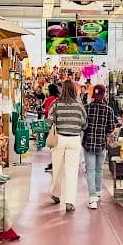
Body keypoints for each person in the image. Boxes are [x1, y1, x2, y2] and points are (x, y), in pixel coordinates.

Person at [49, 80, 86, 212]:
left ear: (62, 89)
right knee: (71, 171)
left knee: (57, 168)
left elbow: (49, 120)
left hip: (59, 139)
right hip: (74, 140)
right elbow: (84, 123)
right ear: (74, 90)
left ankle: (55, 193)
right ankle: (69, 202)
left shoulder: (56, 103)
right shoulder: (79, 105)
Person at [82, 84, 117, 209]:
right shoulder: (109, 110)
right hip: (102, 144)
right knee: (99, 169)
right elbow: (111, 128)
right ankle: (97, 193)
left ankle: (92, 198)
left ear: (93, 95)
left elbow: (83, 126)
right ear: (103, 95)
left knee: (90, 170)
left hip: (88, 143)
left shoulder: (86, 108)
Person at [42, 83, 59, 173]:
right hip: (59, 125)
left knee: (52, 145)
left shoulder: (50, 99)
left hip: (52, 125)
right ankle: (55, 163)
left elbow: (48, 112)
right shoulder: (58, 98)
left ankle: (54, 163)